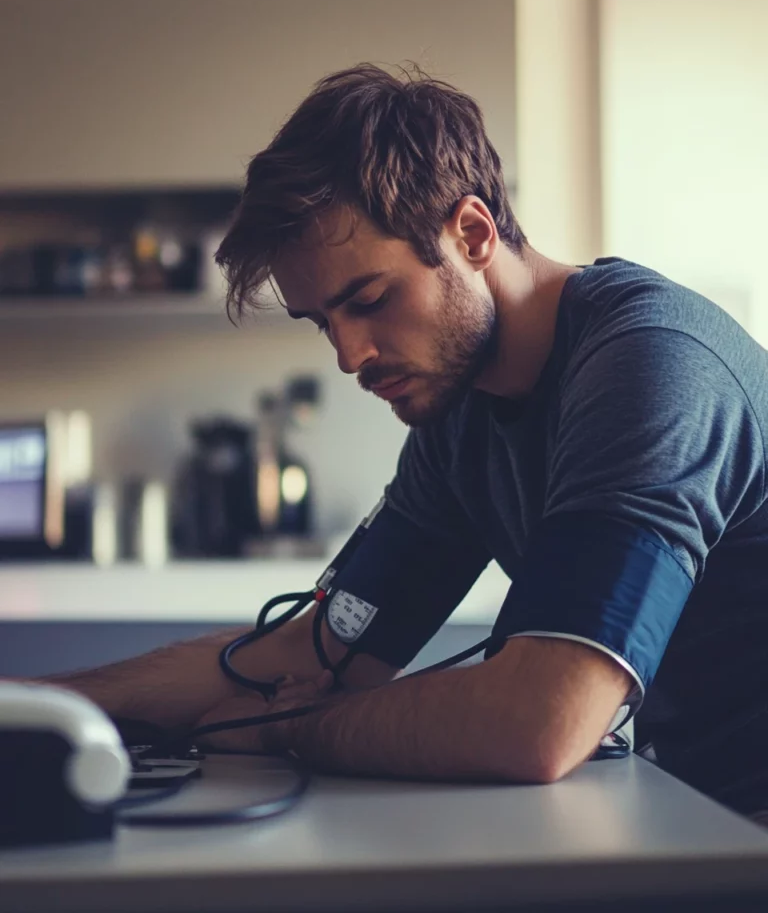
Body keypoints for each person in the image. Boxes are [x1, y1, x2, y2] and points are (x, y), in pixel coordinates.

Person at [56, 65, 768, 816]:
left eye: (370, 300)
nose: (349, 355)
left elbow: (540, 722)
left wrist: (289, 729)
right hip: (693, 812)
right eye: (324, 321)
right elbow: (315, 653)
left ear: (472, 233)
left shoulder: (651, 364)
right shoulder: (461, 414)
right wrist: (35, 707)